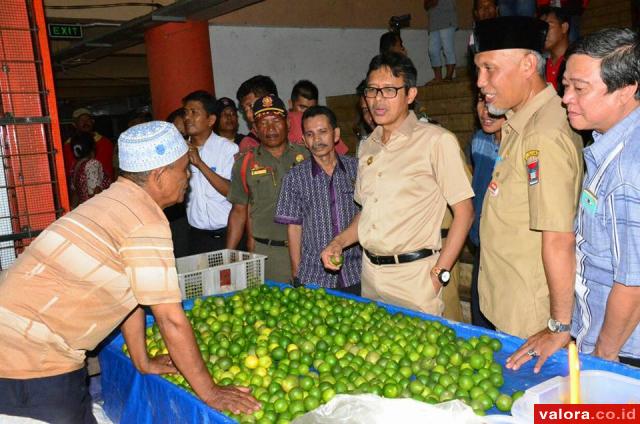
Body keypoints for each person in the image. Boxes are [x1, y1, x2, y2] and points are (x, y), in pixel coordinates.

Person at [0, 121, 260, 422]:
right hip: (31, 361)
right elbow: (171, 320)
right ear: (159, 175)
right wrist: (210, 391)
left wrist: (143, 360)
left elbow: (132, 292)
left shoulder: (112, 201)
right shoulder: (144, 220)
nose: (187, 178)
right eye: (183, 169)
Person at [509, 28, 640, 371]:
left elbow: (633, 284)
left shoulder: (629, 170)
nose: (565, 98)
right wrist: (563, 328)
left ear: (626, 90)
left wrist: (603, 362)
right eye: (565, 85)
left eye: (579, 89)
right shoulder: (606, 143)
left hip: (621, 355)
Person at [321, 52, 474, 315]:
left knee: (421, 355)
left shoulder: (436, 141)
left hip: (415, 279)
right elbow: (366, 212)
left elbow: (465, 212)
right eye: (372, 90)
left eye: (389, 90)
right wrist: (339, 242)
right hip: (370, 276)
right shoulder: (368, 146)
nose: (378, 100)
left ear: (410, 94)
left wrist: (439, 275)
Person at [473, 17, 583, 342]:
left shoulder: (541, 135)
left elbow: (559, 238)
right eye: (478, 69)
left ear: (527, 64)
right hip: (509, 302)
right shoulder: (519, 122)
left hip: (530, 319)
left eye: (489, 68)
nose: (479, 81)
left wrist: (558, 326)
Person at [275, 106, 361, 294]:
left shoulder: (358, 169)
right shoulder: (294, 177)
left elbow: (368, 215)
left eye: (323, 132)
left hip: (357, 273)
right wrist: (297, 274)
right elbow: (294, 228)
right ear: (304, 141)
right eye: (310, 134)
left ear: (336, 134)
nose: (317, 140)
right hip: (314, 278)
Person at [226, 95, 309, 282]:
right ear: (254, 129)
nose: (270, 128)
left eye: (276, 121)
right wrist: (229, 255)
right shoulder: (245, 163)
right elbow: (238, 211)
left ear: (288, 123)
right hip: (267, 254)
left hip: (308, 249)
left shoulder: (307, 157)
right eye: (263, 123)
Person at [183, 90, 238, 255]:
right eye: (186, 113)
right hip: (196, 236)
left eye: (194, 113)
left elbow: (232, 191)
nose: (187, 118)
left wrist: (199, 163)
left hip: (227, 233)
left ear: (211, 120)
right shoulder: (178, 151)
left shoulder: (227, 149)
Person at [469, 93, 505, 329]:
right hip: (482, 249)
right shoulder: (478, 140)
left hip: (508, 254)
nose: (486, 111)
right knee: (480, 324)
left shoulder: (524, 145)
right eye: (481, 102)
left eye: (492, 103)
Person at [63, 108, 115, 182]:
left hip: (107, 189)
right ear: (74, 124)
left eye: (88, 120)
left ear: (92, 122)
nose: (86, 123)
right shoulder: (68, 145)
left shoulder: (106, 142)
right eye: (81, 120)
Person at [236, 75, 279, 153]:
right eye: (245, 110)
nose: (249, 115)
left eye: (251, 106)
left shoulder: (300, 125)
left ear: (270, 99)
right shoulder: (249, 144)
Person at [69, 132, 112, 207]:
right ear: (93, 147)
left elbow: (75, 193)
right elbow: (95, 192)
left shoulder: (75, 165)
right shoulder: (92, 164)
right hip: (95, 209)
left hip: (84, 208)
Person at [425, 0, 458, 82]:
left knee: (447, 49)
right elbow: (426, 5)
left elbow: (434, 2)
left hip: (447, 20)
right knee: (432, 50)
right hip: (434, 22)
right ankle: (438, 77)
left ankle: (449, 76)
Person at [540, 6, 571, 96]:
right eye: (542, 28)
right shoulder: (540, 65)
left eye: (548, 26)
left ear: (564, 27)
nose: (544, 32)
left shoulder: (576, 63)